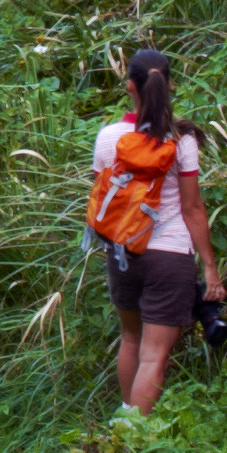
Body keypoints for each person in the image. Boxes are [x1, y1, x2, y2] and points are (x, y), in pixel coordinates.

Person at [86, 44, 213, 409]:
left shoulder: (109, 137)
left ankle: (123, 430)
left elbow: (102, 197)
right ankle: (134, 441)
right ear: (170, 85)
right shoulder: (181, 140)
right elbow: (192, 208)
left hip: (122, 253)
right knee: (154, 356)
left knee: (131, 339)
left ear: (130, 86)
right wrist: (210, 267)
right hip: (169, 255)